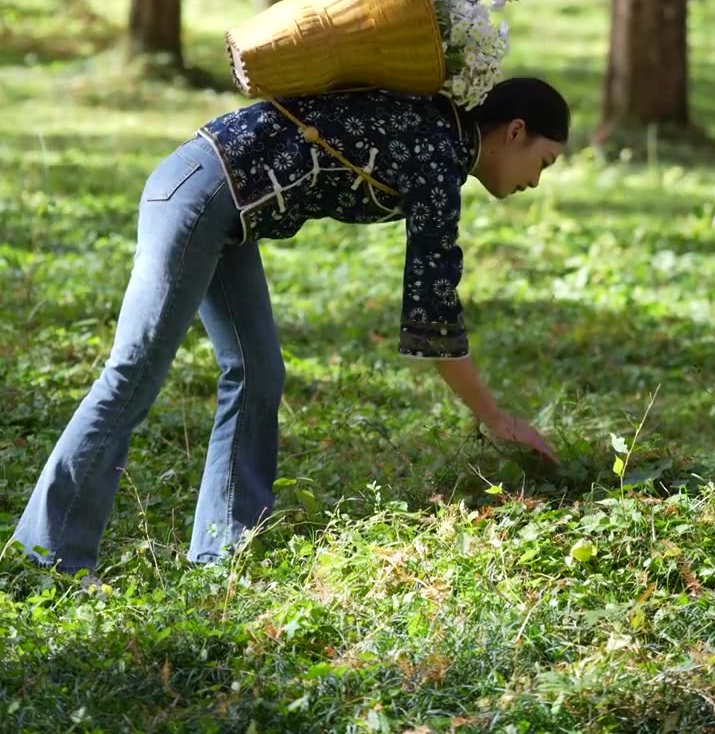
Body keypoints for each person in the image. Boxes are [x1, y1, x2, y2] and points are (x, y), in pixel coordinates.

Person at [10, 75, 569, 574]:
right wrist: (496, 418)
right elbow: (433, 311)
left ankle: (221, 551)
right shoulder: (438, 150)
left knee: (258, 373)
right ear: (514, 131)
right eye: (543, 163)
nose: (536, 183)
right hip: (200, 196)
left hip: (224, 208)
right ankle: (47, 557)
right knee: (132, 373)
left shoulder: (440, 133)